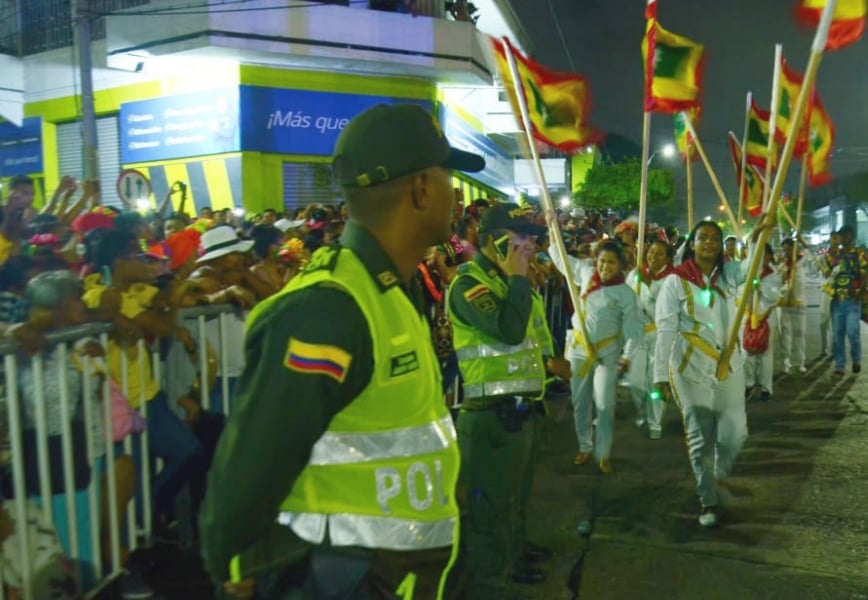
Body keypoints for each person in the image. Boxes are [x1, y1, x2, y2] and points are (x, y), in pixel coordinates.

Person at [200, 104, 481, 599]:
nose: (456, 197)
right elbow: (250, 466)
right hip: (345, 579)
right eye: (447, 178)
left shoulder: (390, 289)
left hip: (400, 577)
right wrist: (236, 568)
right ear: (419, 189)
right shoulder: (329, 308)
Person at [447, 203, 568, 597]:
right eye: (519, 239)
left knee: (513, 500)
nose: (529, 246)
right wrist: (518, 278)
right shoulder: (469, 285)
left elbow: (530, 341)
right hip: (489, 419)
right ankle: (489, 585)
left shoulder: (510, 282)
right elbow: (509, 331)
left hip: (522, 410)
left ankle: (513, 559)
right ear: (493, 242)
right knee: (488, 515)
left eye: (530, 238)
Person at [654, 220, 755, 528]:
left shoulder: (732, 275)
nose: (709, 242)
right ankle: (707, 499)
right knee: (700, 436)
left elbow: (755, 264)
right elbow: (666, 330)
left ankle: (717, 475)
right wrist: (660, 376)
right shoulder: (675, 282)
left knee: (735, 433)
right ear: (692, 244)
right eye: (702, 238)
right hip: (690, 368)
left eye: (714, 238)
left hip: (730, 365)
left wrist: (762, 233)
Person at [550, 238, 643, 473]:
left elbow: (634, 329)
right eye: (602, 261)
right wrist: (552, 229)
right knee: (580, 403)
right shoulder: (585, 272)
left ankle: (603, 453)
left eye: (611, 262)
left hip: (607, 354)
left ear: (620, 265)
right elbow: (561, 257)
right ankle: (584, 446)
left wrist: (627, 356)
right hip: (579, 350)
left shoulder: (625, 293)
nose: (605, 266)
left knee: (604, 405)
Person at [626, 238, 673, 439]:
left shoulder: (672, 279)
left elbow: (665, 310)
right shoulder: (635, 274)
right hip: (637, 335)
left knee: (655, 381)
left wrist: (650, 285)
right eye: (651, 252)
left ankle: (655, 421)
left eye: (659, 253)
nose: (653, 256)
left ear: (668, 258)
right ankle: (642, 413)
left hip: (660, 335)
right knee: (635, 382)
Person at [820, 226, 868, 376]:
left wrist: (860, 292)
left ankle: (856, 359)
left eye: (848, 235)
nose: (845, 238)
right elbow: (827, 273)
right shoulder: (835, 255)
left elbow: (866, 274)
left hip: (852, 299)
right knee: (837, 334)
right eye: (842, 236)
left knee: (852, 332)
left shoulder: (860, 254)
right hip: (836, 300)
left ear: (852, 237)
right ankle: (840, 365)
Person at [743, 244, 781, 402]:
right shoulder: (747, 272)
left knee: (765, 354)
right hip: (749, 317)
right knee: (748, 352)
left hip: (766, 317)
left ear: (769, 256)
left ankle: (766, 387)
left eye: (764, 255)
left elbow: (774, 297)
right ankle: (749, 383)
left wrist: (760, 287)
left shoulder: (774, 275)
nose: (760, 259)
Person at [778, 237, 808, 374]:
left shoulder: (802, 262)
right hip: (785, 305)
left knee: (800, 334)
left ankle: (801, 362)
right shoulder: (782, 265)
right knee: (785, 335)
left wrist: (802, 242)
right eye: (784, 250)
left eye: (789, 249)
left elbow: (811, 255)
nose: (787, 252)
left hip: (799, 304)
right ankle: (786, 362)